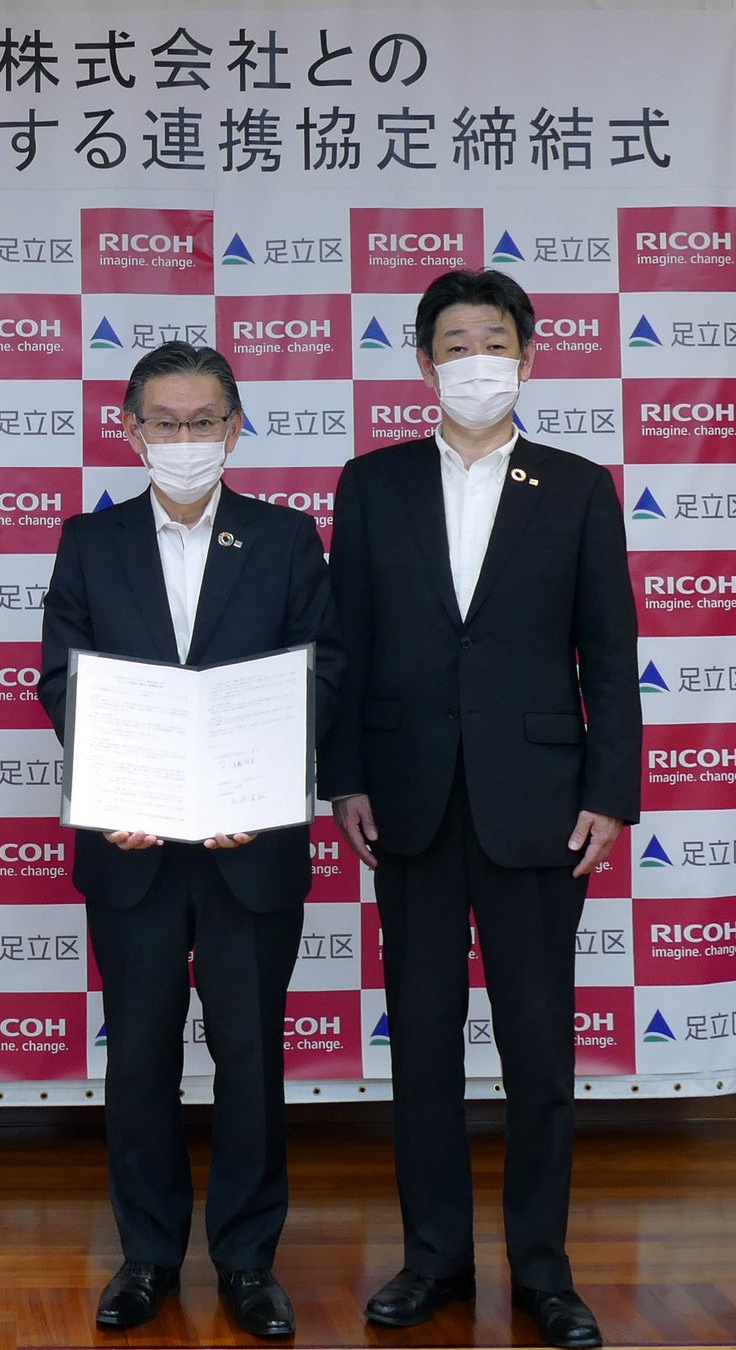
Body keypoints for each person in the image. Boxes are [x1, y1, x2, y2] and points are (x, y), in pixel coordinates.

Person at [320, 268, 640, 1350]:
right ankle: (434, 1261)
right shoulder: (372, 484)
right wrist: (343, 776)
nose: (474, 363)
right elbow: (344, 645)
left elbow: (609, 653)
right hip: (407, 801)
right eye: (452, 345)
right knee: (420, 1043)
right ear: (423, 364)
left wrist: (609, 793)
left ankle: (543, 1272)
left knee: (538, 1049)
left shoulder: (579, 487)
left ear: (528, 357)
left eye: (492, 342)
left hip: (539, 806)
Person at [38, 341, 344, 1340]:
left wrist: (258, 782)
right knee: (138, 1057)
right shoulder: (90, 541)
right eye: (163, 422)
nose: (184, 438)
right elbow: (63, 678)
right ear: (130, 431)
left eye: (202, 421)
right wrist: (115, 785)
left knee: (249, 1055)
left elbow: (322, 671)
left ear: (234, 429)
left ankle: (249, 1263)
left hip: (246, 843)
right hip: (129, 845)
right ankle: (147, 1257)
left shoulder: (286, 538)